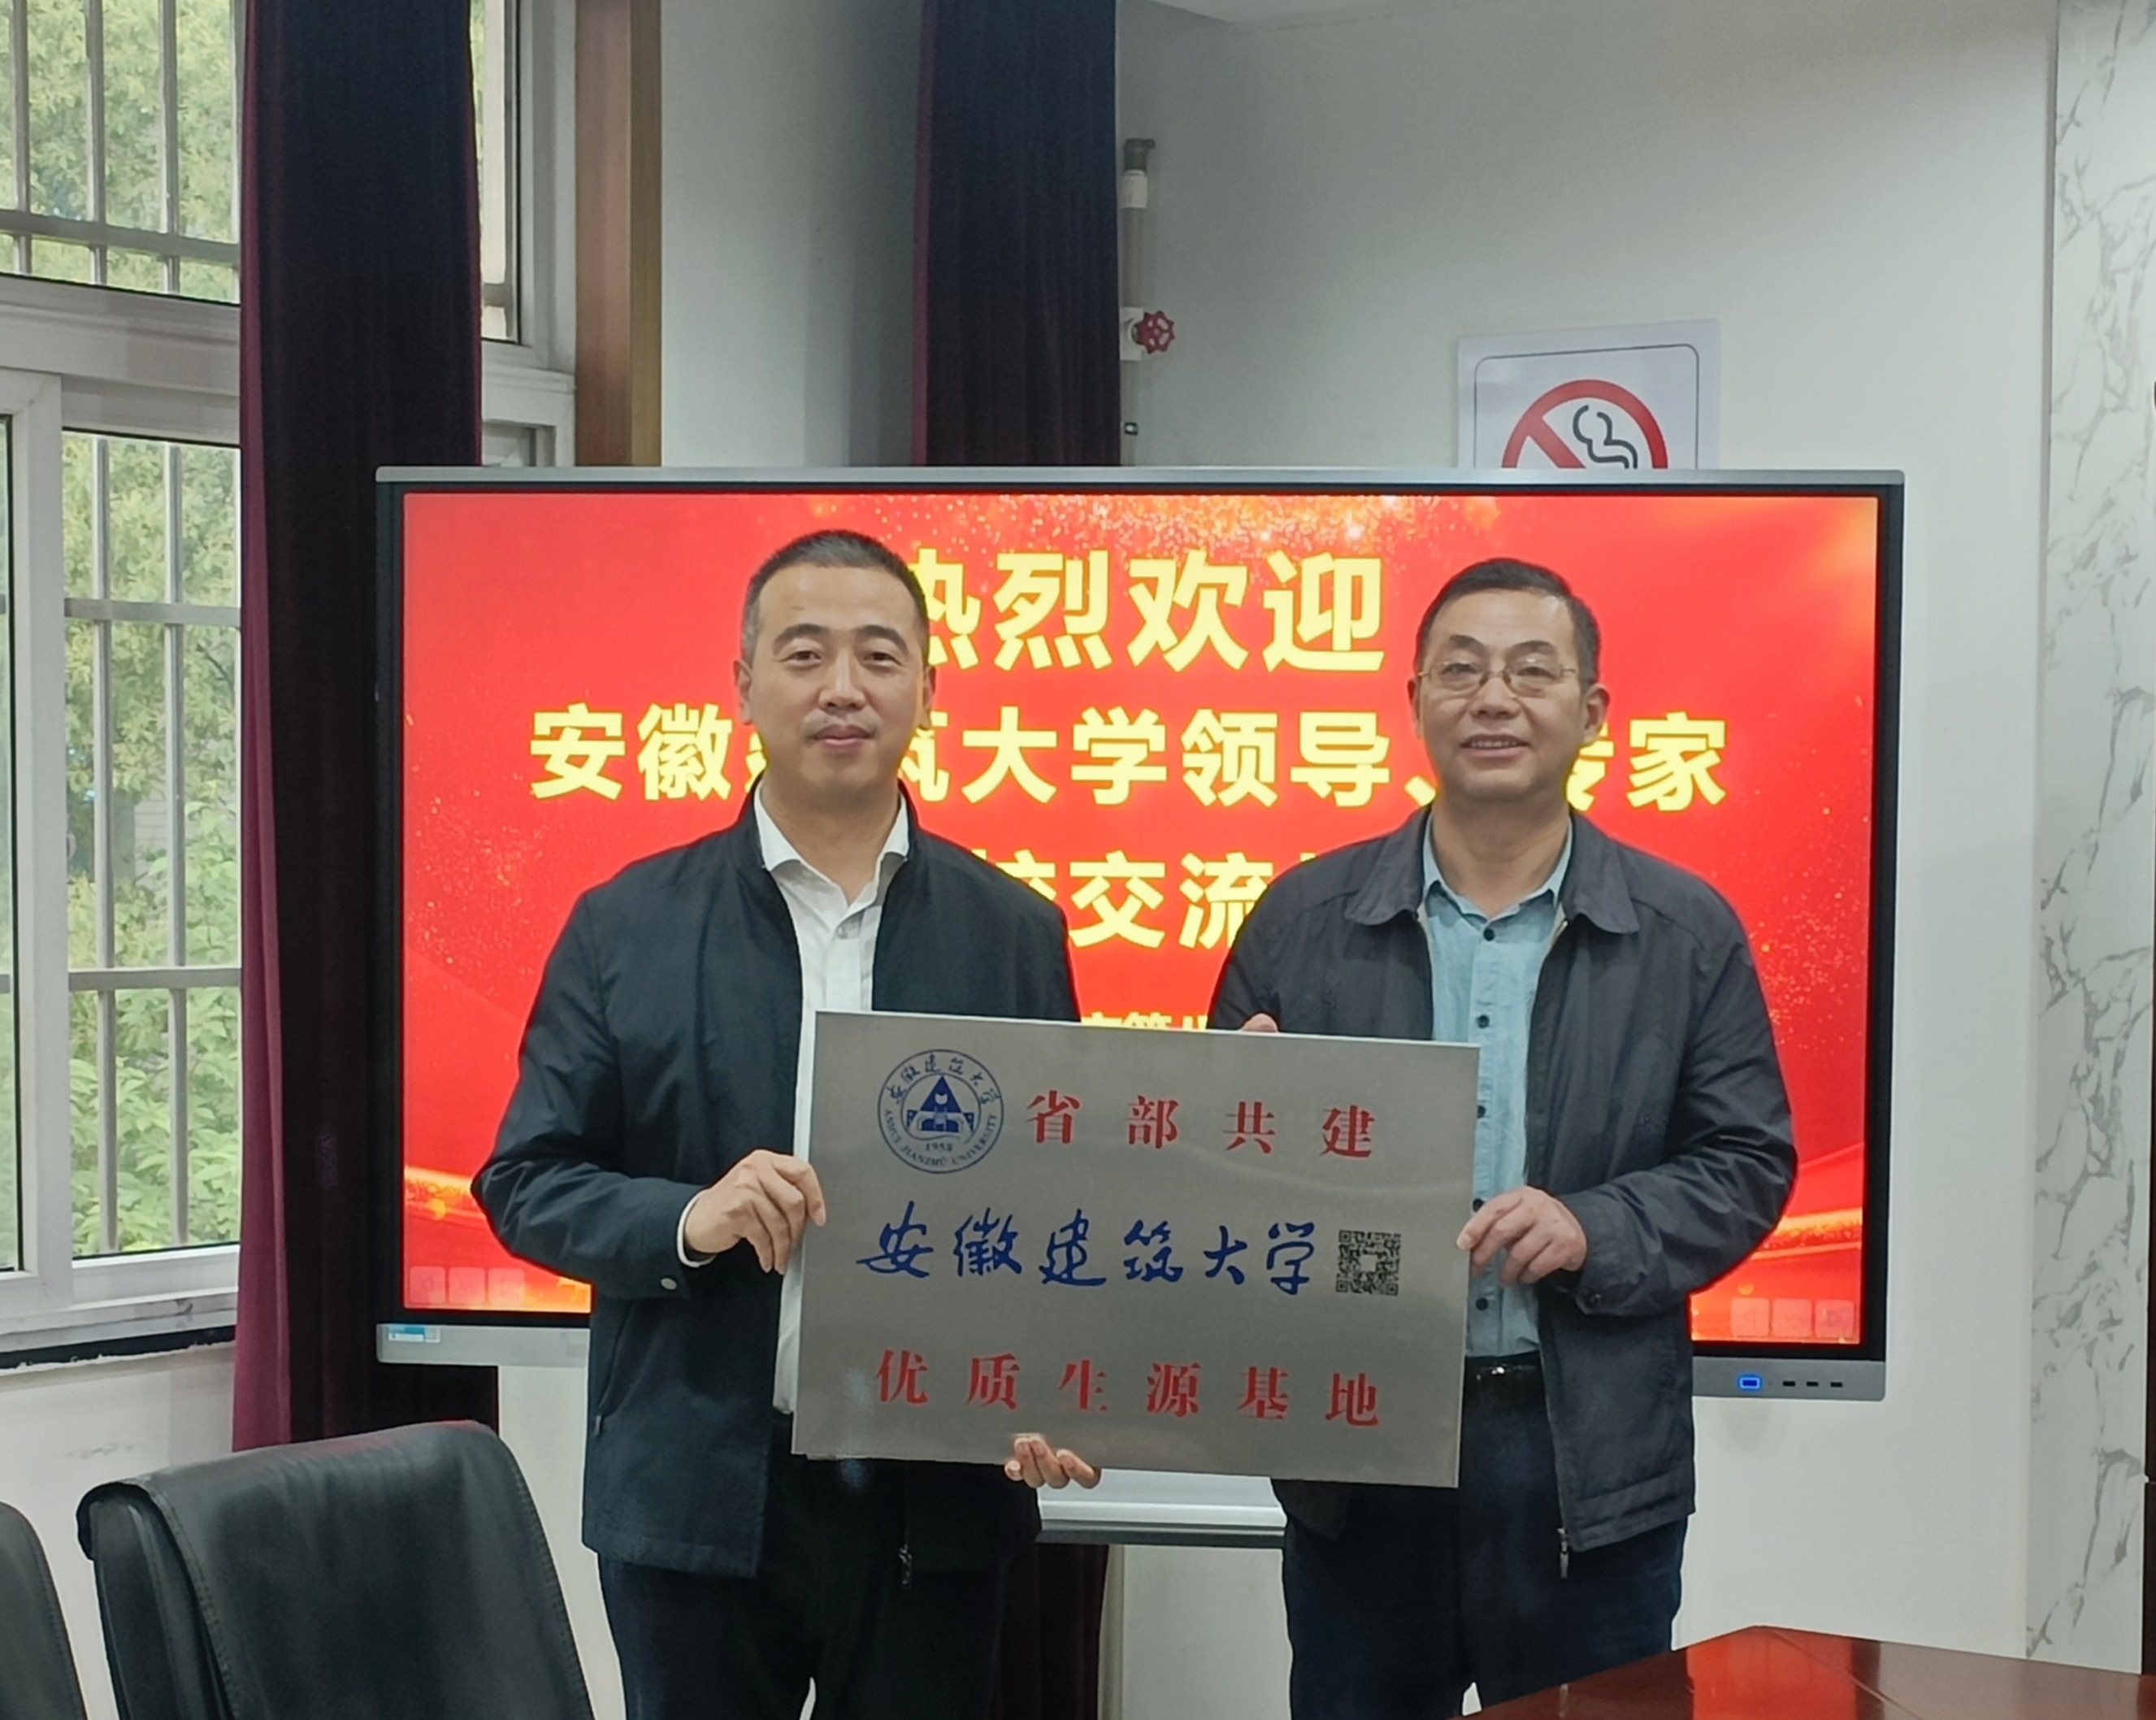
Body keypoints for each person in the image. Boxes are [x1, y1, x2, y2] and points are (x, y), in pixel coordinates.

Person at [475, 529, 1095, 1720]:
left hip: (935, 1501)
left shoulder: (1012, 930)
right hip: (697, 1490)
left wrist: (1055, 1386)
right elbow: (526, 1180)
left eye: (879, 656)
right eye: (805, 654)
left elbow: (1055, 1205)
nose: (842, 688)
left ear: (929, 690)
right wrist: (688, 1218)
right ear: (744, 685)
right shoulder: (626, 924)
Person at [1208, 558, 1796, 1717]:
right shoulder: (1303, 920)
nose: (1493, 699)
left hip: (1584, 1464)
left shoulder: (1683, 932)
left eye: (1532, 672)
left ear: (1592, 711)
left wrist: (1595, 1227)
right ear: (1414, 699)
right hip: (1362, 1449)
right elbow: (1212, 1178)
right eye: (1461, 671)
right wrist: (1240, 1117)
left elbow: (1746, 1163)